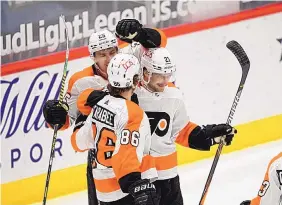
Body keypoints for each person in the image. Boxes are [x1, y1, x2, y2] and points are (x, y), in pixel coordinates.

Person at [77, 47, 238, 205]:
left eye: (168, 74)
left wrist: (208, 136)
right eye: (159, 74)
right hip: (140, 178)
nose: (165, 80)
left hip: (166, 177)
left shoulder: (173, 95)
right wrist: (88, 98)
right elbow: (88, 103)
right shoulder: (128, 96)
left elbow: (181, 131)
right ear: (145, 72)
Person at [43, 19, 167, 205]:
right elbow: (67, 121)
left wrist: (141, 34)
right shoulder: (80, 81)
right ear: (92, 56)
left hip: (137, 145)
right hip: (103, 156)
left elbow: (160, 42)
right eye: (102, 55)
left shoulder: (128, 62)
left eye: (112, 52)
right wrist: (54, 116)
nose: (109, 59)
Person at [72, 53, 158, 205]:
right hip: (125, 191)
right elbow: (126, 154)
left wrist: (81, 119)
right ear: (134, 81)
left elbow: (78, 143)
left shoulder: (99, 105)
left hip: (103, 192)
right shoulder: (133, 112)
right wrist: (137, 187)